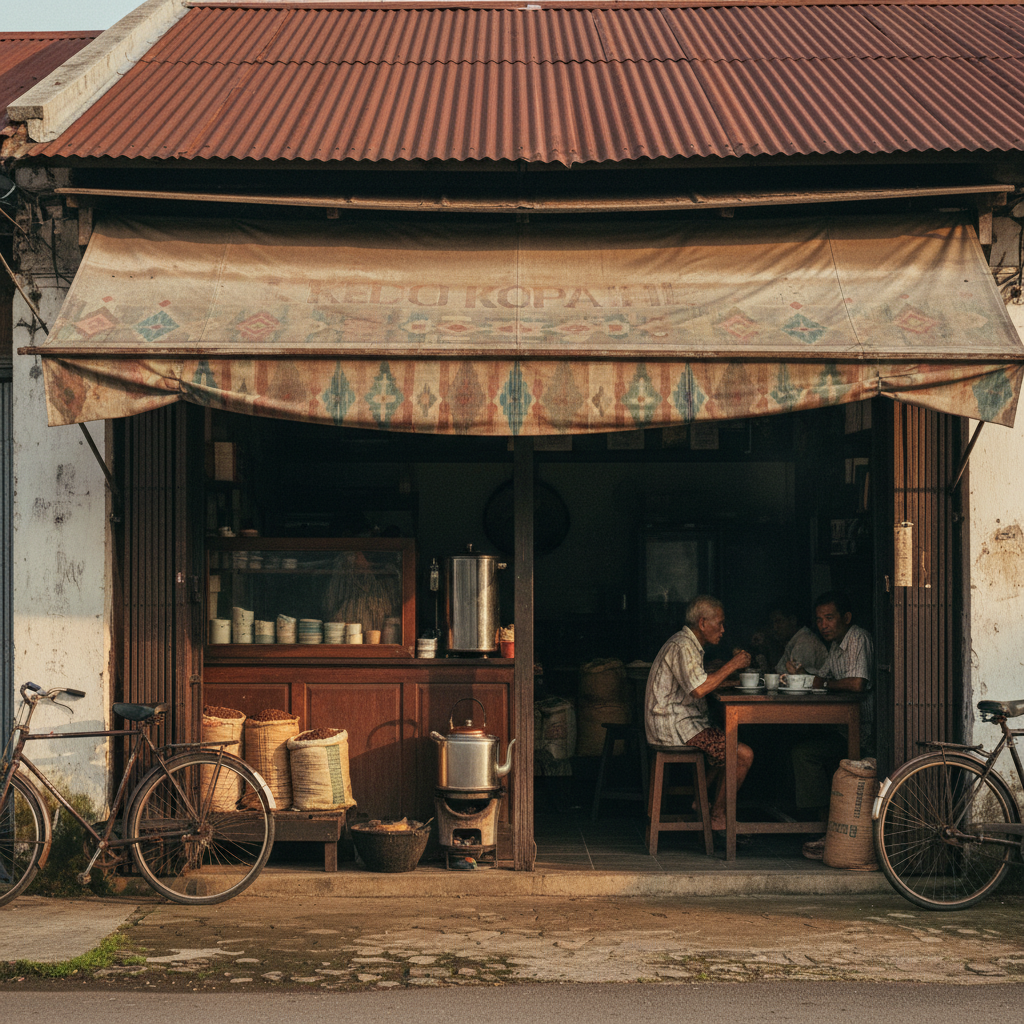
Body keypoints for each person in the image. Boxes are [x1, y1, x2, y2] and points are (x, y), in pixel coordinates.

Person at [645, 595, 755, 843]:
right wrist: (732, 665)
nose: (723, 630)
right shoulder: (683, 645)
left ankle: (701, 802)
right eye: (720, 623)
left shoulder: (689, 644)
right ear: (703, 623)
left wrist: (725, 675)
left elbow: (698, 681)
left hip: (682, 723)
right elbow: (698, 689)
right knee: (742, 754)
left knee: (725, 741)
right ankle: (717, 815)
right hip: (672, 726)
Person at [791, 590, 874, 860]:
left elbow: (857, 683)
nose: (823, 625)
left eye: (829, 618)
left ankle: (824, 825)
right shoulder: (836, 647)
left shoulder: (857, 638)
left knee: (805, 754)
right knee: (799, 749)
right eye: (819, 619)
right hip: (843, 729)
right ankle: (822, 822)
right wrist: (803, 675)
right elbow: (821, 676)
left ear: (846, 618)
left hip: (864, 733)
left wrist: (821, 683)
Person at [749, 601, 828, 675]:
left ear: (792, 620)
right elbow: (777, 670)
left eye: (779, 621)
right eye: (773, 623)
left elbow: (797, 679)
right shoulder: (793, 641)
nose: (775, 627)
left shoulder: (805, 642)